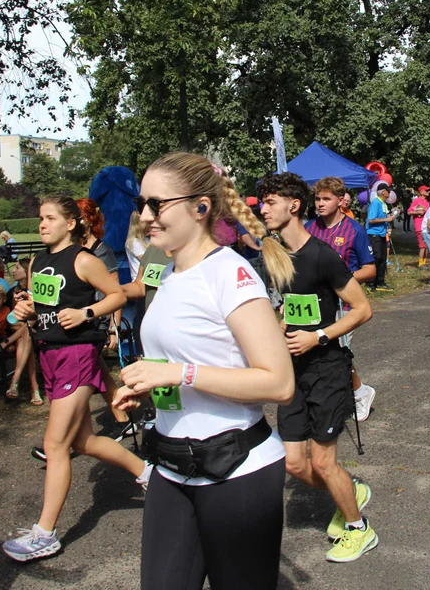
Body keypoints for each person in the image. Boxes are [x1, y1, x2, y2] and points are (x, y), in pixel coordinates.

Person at [112, 152, 295, 590]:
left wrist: (179, 374)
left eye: (157, 204)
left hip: (237, 471)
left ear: (201, 206)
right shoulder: (167, 272)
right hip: (170, 467)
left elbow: (279, 382)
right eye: (142, 203)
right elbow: (176, 362)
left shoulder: (229, 273)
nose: (145, 216)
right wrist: (147, 384)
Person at [2, 197, 151, 562]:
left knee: (55, 444)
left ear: (70, 224)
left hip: (77, 355)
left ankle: (45, 533)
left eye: (50, 218)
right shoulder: (38, 261)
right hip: (49, 353)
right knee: (83, 441)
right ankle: (150, 474)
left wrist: (86, 312)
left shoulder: (83, 259)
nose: (42, 224)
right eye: (40, 218)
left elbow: (117, 295)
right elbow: (42, 310)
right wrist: (28, 312)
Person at [259, 172, 378, 563]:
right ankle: (350, 488)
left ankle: (359, 528)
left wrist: (320, 336)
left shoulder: (322, 255)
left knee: (324, 462)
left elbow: (362, 310)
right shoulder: (275, 256)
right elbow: (288, 307)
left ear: (294, 206)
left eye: (270, 202)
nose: (263, 208)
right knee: (294, 463)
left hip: (327, 368)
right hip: (294, 372)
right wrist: (281, 327)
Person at [308, 176, 378, 421]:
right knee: (320, 353)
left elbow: (370, 270)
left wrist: (342, 279)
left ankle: (360, 392)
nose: (320, 203)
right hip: (315, 303)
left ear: (340, 200)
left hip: (344, 303)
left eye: (326, 199)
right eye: (317, 198)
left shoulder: (354, 229)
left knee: (338, 351)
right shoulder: (309, 227)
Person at [76, 197, 135, 441]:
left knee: (85, 373)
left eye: (78, 216)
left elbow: (115, 289)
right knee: (95, 370)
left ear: (89, 220)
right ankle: (122, 419)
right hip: (79, 318)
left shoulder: (103, 250)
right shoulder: (74, 250)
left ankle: (66, 434)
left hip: (98, 319)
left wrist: (114, 326)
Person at [4, 258, 41, 405]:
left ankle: (15, 381)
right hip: (15, 328)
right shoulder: (11, 292)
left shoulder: (35, 293)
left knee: (28, 334)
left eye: (17, 268)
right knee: (27, 333)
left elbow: (35, 318)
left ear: (26, 272)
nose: (13, 270)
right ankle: (34, 388)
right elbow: (8, 318)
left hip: (32, 330)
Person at [365, 182, 394, 292]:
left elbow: (383, 217)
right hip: (374, 234)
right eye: (388, 190)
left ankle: (380, 282)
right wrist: (387, 219)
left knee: (382, 258)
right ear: (383, 192)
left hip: (382, 234)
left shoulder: (383, 204)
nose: (390, 192)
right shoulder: (376, 203)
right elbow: (371, 220)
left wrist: (390, 217)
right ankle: (370, 282)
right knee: (376, 258)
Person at [408, 186, 430, 267]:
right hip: (419, 226)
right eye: (426, 190)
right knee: (422, 246)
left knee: (426, 245)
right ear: (421, 192)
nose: (428, 191)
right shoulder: (417, 200)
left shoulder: (427, 202)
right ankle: (421, 264)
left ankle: (424, 262)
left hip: (427, 226)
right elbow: (409, 212)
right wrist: (418, 212)